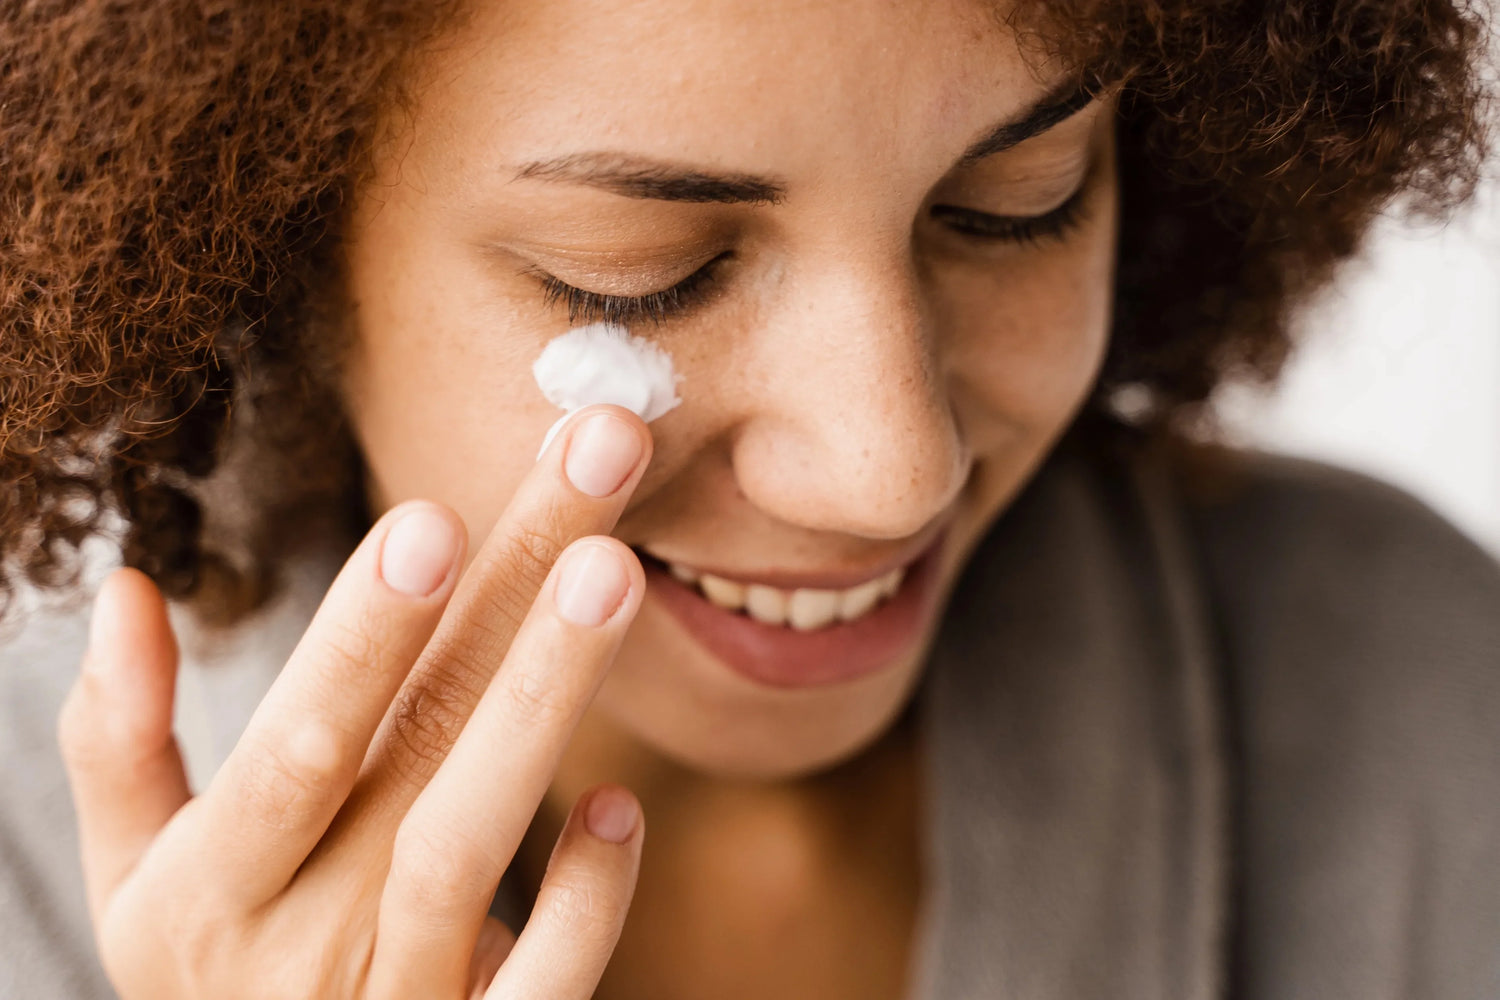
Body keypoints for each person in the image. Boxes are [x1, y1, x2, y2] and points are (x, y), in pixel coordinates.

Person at [1, 1, 1496, 997]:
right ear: (278, 248)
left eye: (1016, 202)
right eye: (636, 279)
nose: (890, 469)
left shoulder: (1421, 710)